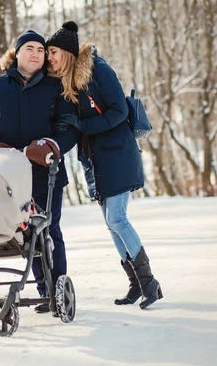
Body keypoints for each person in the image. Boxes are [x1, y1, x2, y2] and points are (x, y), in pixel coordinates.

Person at [47, 21, 163, 309]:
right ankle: (136, 285)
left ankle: (150, 283)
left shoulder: (97, 69)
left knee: (117, 219)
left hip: (118, 154)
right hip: (96, 161)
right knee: (112, 226)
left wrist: (84, 125)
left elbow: (120, 110)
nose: (49, 57)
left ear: (67, 52)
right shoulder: (68, 81)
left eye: (53, 52)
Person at [0, 30, 79, 314]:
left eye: (41, 51)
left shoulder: (55, 88)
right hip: (7, 176)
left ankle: (54, 292)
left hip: (46, 173)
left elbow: (69, 126)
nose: (35, 54)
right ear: (17, 53)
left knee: (48, 230)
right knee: (21, 235)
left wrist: (53, 145)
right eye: (29, 48)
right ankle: (42, 289)